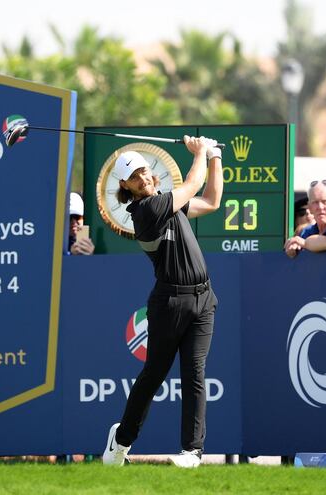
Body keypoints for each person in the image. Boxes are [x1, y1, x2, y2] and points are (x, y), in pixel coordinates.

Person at [102, 136, 223, 469]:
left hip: (203, 299)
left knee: (195, 374)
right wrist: (200, 152)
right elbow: (192, 183)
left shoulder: (168, 202)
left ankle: (191, 452)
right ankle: (121, 441)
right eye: (135, 177)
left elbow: (211, 200)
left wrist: (215, 157)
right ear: (126, 185)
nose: (144, 178)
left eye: (145, 171)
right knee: (154, 375)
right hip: (169, 303)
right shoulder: (146, 210)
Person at [284, 180, 326, 257]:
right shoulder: (306, 232)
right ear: (309, 207)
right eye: (315, 202)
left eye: (325, 202)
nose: (320, 207)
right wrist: (293, 247)